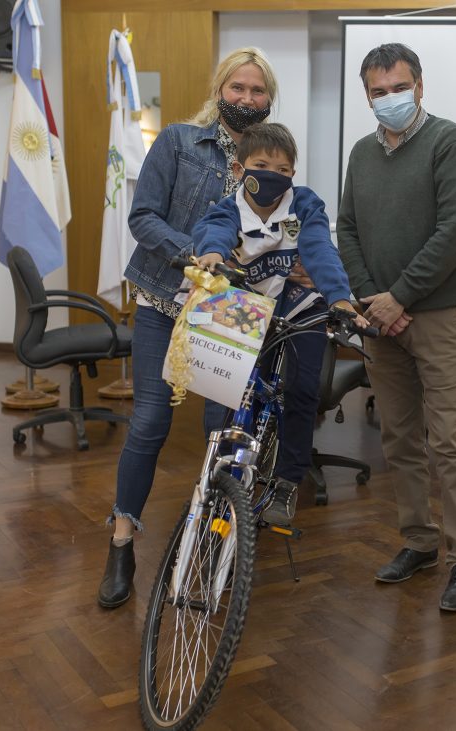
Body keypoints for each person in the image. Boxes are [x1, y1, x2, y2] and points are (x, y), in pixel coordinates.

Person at [98, 47, 280, 609]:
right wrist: (191, 255)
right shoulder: (178, 141)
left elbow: (280, 229)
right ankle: (122, 539)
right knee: (150, 420)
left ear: (269, 99)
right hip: (163, 299)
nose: (246, 99)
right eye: (237, 89)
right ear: (219, 89)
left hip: (230, 311)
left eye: (257, 92)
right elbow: (142, 217)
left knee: (218, 429)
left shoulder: (273, 159)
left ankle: (208, 534)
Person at [337, 43, 456, 612]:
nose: (389, 99)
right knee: (398, 437)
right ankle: (419, 542)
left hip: (440, 316)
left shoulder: (451, 143)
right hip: (381, 319)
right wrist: (375, 301)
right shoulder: (361, 153)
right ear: (367, 96)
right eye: (378, 92)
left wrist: (398, 297)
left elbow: (452, 234)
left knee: (448, 441)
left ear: (419, 86)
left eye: (399, 88)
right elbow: (346, 229)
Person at [191, 122, 369, 526]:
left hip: (299, 305)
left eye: (285, 170)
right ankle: (222, 475)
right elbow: (213, 231)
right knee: (225, 391)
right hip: (244, 306)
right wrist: (214, 254)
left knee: (302, 390)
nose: (274, 175)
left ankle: (288, 482)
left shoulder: (303, 205)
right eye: (262, 165)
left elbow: (318, 246)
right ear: (239, 171)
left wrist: (340, 297)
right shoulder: (227, 208)